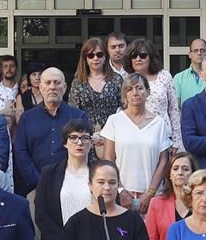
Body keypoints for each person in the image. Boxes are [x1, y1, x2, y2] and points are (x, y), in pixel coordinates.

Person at [100, 72, 168, 209]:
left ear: (148, 92)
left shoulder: (159, 123)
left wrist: (150, 192)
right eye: (129, 89)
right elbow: (108, 160)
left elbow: (164, 161)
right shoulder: (114, 121)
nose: (135, 92)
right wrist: (120, 190)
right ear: (125, 94)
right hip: (121, 197)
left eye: (140, 88)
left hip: (152, 198)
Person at [11, 67, 83, 195]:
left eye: (57, 82)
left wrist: (69, 181)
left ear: (65, 87)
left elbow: (83, 151)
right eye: (48, 83)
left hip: (72, 188)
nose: (52, 87)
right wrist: (39, 181)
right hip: (35, 188)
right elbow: (20, 151)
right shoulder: (27, 118)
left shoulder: (78, 117)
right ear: (40, 88)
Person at [129, 38, 183, 151]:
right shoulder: (126, 79)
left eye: (142, 55)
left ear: (151, 57)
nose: (138, 59)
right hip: (135, 135)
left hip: (163, 136)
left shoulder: (164, 76)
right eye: (134, 56)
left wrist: (176, 141)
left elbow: (173, 109)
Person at [68, 37, 122, 132]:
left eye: (99, 54)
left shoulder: (117, 79)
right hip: (85, 135)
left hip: (114, 133)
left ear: (105, 57)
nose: (95, 58)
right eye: (90, 55)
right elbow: (73, 111)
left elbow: (125, 107)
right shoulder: (78, 82)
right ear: (85, 59)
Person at [174, 38, 206, 106]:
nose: (199, 53)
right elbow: (175, 108)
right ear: (190, 54)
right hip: (186, 116)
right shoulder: (179, 78)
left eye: (202, 50)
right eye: (195, 50)